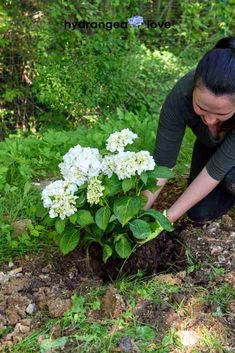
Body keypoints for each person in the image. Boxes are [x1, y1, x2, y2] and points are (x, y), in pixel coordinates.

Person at [143, 36, 235, 229]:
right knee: (198, 212)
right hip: (214, 148)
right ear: (193, 87)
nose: (209, 120)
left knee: (230, 179)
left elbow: (216, 170)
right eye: (201, 108)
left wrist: (166, 219)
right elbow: (163, 163)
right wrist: (137, 213)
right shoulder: (180, 95)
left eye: (221, 113)